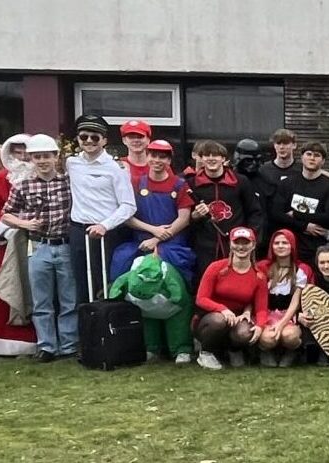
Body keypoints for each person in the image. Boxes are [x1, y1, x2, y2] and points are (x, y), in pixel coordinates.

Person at [1, 134, 78, 362]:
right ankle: (47, 346)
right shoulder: (23, 185)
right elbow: (6, 215)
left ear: (56, 157)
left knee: (69, 300)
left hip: (65, 245)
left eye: (46, 156)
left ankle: (69, 346)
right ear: (31, 159)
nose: (42, 161)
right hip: (38, 247)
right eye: (37, 157)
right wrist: (24, 224)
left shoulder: (68, 183)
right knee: (41, 301)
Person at [120, 139, 196, 362]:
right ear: (147, 156)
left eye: (162, 156)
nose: (157, 160)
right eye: (153, 155)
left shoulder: (180, 185)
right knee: (142, 295)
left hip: (173, 247)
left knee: (177, 298)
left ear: (169, 160)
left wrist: (159, 238)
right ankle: (151, 346)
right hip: (141, 244)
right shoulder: (136, 183)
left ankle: (181, 347)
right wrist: (152, 232)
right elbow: (127, 216)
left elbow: (184, 218)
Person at [67, 114, 137, 305]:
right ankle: (85, 323)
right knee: (81, 284)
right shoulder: (71, 163)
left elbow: (129, 205)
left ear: (104, 140)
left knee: (105, 285)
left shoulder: (116, 167)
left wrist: (105, 225)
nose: (89, 141)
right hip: (78, 231)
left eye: (95, 137)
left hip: (106, 233)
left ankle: (107, 322)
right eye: (84, 136)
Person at [0, 134, 37, 358]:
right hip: (9, 242)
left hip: (41, 238)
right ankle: (4, 339)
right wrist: (8, 228)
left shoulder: (46, 177)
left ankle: (39, 340)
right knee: (8, 286)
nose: (22, 157)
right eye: (17, 152)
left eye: (26, 152)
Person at [194, 227, 270, 370]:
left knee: (245, 333)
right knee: (219, 320)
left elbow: (261, 309)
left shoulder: (259, 276)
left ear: (253, 245)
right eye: (237, 242)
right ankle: (206, 352)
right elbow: (201, 298)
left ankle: (233, 350)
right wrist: (223, 309)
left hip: (237, 319)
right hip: (210, 318)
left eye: (246, 243)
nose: (241, 247)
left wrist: (260, 325)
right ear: (230, 244)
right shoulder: (216, 267)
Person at [184, 139, 266, 272]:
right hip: (204, 247)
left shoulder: (241, 182)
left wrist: (250, 238)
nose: (211, 159)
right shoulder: (191, 184)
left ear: (223, 158)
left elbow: (254, 212)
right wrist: (195, 216)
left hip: (236, 246)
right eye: (207, 155)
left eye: (216, 155)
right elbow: (184, 218)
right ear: (201, 159)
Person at [269, 141, 329, 266]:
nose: (312, 158)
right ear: (302, 157)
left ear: (323, 161)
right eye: (309, 154)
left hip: (314, 249)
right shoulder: (287, 183)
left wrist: (296, 214)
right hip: (288, 247)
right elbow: (276, 214)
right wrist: (304, 226)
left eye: (317, 155)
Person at [255, 229, 313, 367]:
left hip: (290, 315)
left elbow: (296, 301)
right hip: (267, 314)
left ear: (292, 246)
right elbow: (256, 295)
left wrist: (281, 324)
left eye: (285, 243)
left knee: (289, 337)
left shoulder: (301, 269)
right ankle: (265, 350)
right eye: (276, 243)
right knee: (269, 338)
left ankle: (293, 352)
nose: (280, 246)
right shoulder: (263, 267)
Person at [256, 129, 300, 199]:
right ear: (274, 145)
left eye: (285, 143)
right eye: (278, 143)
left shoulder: (301, 170)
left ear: (294, 145)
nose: (281, 147)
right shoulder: (263, 170)